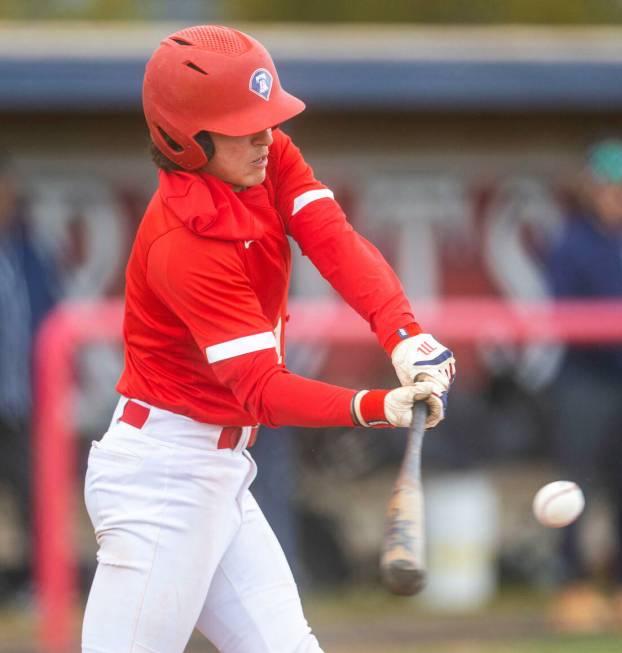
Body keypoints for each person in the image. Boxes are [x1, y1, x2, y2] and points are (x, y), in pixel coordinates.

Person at [81, 25, 454, 653]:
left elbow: (331, 237)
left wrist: (403, 335)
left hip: (219, 469)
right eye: (241, 123)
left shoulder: (265, 154)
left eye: (266, 118)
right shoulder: (184, 241)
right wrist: (375, 407)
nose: (265, 134)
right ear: (188, 139)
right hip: (163, 479)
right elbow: (260, 389)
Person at [546, 139, 622, 631]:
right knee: (576, 488)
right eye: (609, 187)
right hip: (588, 382)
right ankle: (572, 588)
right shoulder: (573, 243)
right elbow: (563, 313)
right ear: (591, 190)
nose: (618, 196)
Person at [0, 153, 58, 602]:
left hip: (22, 400)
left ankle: (40, 587)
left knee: (34, 496)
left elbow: (51, 319)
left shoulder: (28, 250)